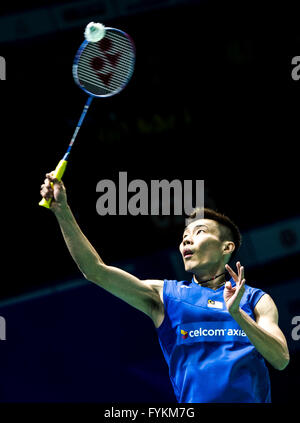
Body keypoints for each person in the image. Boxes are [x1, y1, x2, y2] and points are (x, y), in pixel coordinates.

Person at [40, 172, 290, 403]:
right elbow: (95, 270)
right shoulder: (165, 295)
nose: (187, 239)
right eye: (184, 237)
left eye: (199, 231)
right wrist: (62, 211)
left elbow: (280, 359)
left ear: (227, 247)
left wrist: (238, 314)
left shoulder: (255, 299)